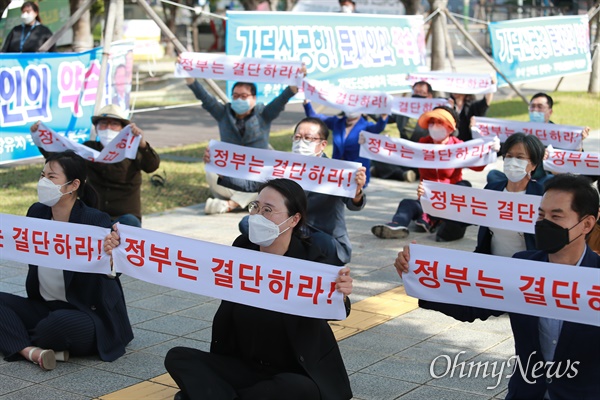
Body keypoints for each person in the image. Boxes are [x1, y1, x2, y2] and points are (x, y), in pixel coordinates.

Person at [109, 178, 354, 400]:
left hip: (294, 371)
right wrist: (124, 247)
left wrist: (342, 294)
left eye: (268, 210)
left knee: (296, 389)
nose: (258, 215)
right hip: (244, 366)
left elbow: (335, 308)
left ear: (294, 219)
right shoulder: (242, 247)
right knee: (178, 357)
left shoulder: (311, 259)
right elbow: (181, 259)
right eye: (256, 207)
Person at [394, 173, 600, 399]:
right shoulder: (522, 266)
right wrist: (418, 278)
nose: (544, 223)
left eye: (556, 216)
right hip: (526, 393)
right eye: (541, 215)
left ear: (587, 224)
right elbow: (472, 307)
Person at [0, 151, 133, 371]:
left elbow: (114, 270)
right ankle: (31, 351)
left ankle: (15, 337)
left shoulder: (93, 220)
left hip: (87, 313)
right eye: (42, 175)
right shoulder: (36, 212)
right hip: (44, 306)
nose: (43, 182)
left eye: (51, 178)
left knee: (55, 327)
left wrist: (112, 253)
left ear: (73, 185)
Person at [215, 117, 367, 266]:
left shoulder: (336, 171)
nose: (301, 142)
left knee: (321, 242)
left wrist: (357, 191)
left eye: (308, 138)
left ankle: (296, 261)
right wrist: (222, 171)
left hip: (320, 234)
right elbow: (251, 184)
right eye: (298, 137)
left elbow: (354, 204)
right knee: (247, 224)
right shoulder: (284, 166)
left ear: (322, 145)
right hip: (288, 229)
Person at [181, 70, 301, 214]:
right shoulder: (223, 113)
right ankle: (246, 201)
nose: (239, 100)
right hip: (229, 177)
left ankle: (230, 204)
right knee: (212, 171)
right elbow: (206, 98)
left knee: (272, 178)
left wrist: (296, 79)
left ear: (254, 98)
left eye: (244, 96)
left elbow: (282, 99)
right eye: (236, 96)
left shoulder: (264, 113)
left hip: (256, 174)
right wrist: (189, 78)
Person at [371, 106, 496, 242]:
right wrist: (382, 145)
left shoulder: (458, 146)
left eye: (439, 122)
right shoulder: (423, 144)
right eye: (432, 122)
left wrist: (490, 151)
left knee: (465, 185)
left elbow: (477, 166)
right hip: (427, 198)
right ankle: (396, 226)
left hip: (450, 200)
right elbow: (402, 154)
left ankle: (442, 223)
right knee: (407, 204)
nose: (434, 126)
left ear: (450, 127)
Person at [32, 104, 160, 227]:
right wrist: (39, 137)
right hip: (91, 214)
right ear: (97, 129)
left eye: (114, 124)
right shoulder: (88, 149)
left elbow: (151, 166)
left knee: (129, 225)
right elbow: (62, 159)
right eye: (103, 124)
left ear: (123, 129)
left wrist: (142, 144)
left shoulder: (131, 150)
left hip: (124, 216)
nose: (108, 128)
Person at [475, 133, 546, 256]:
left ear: (533, 165)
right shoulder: (492, 189)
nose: (513, 161)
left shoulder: (541, 196)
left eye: (520, 157)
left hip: (527, 267)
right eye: (509, 156)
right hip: (491, 263)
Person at [303, 99, 388, 186]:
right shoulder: (337, 122)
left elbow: (378, 128)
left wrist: (383, 117)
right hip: (337, 171)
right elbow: (314, 117)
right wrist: (307, 104)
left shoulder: (366, 126)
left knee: (353, 197)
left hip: (356, 172)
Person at [371, 81, 434, 182]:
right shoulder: (403, 109)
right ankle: (401, 174)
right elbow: (385, 117)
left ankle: (384, 172)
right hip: (403, 151)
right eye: (416, 92)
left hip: (422, 153)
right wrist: (366, 108)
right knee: (379, 153)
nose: (418, 95)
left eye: (422, 93)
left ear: (429, 96)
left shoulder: (434, 113)